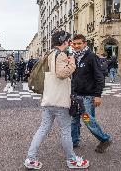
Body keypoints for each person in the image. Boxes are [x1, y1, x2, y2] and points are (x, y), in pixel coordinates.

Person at [24, 31, 89, 170]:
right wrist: (72, 62)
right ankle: (71, 160)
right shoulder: (60, 55)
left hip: (49, 99)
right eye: (68, 41)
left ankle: (30, 158)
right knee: (66, 130)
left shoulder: (50, 54)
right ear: (64, 41)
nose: (70, 44)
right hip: (59, 101)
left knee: (42, 129)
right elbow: (61, 73)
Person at [71, 34, 112, 153]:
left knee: (88, 119)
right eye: (75, 44)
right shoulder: (74, 56)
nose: (77, 46)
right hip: (75, 94)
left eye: (79, 43)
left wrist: (98, 95)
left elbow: (100, 77)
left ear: (85, 44)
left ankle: (104, 139)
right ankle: (74, 141)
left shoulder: (91, 57)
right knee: (74, 119)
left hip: (87, 96)